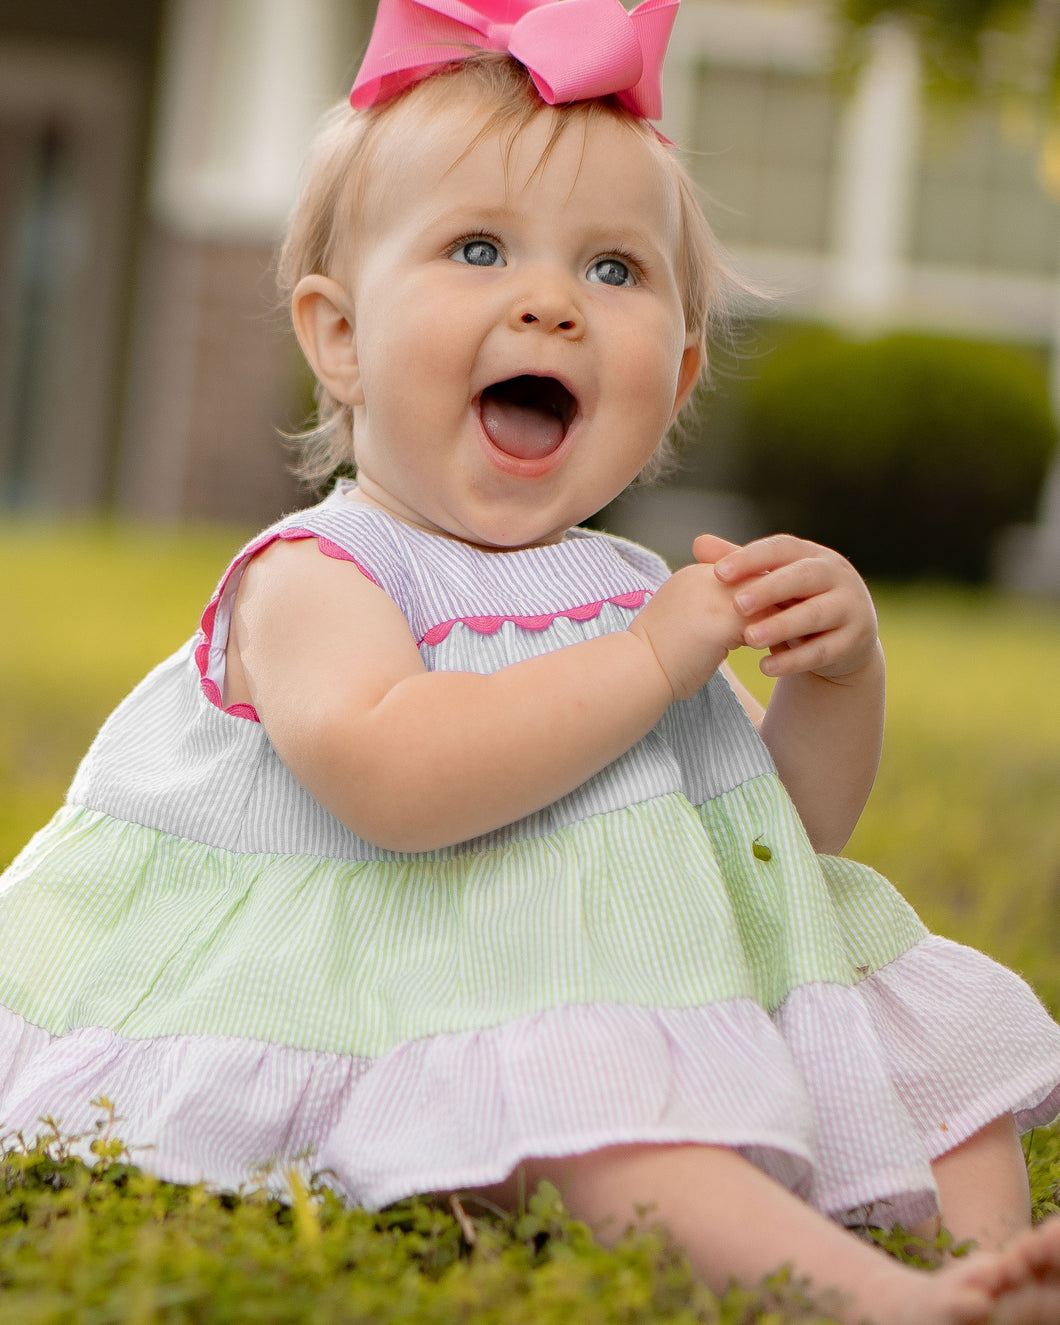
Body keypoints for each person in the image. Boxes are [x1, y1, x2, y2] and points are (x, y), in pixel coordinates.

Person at [2, 0, 1060, 1318]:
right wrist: (651, 657)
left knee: (930, 1059)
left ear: (674, 380)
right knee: (623, 1126)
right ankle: (867, 1293)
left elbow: (770, 836)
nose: (552, 304)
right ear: (337, 335)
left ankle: (989, 1264)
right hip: (424, 981)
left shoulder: (626, 591)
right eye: (479, 248)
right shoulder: (321, 576)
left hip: (619, 970)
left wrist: (837, 678)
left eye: (612, 270)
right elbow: (396, 774)